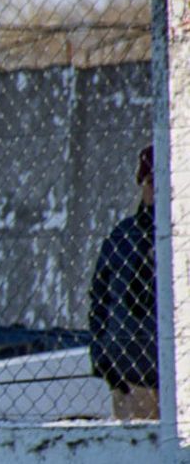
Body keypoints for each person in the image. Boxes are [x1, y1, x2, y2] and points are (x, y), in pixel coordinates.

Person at [89, 143, 158, 420]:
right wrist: (104, 360)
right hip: (130, 376)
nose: (158, 191)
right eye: (152, 183)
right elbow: (99, 298)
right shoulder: (124, 236)